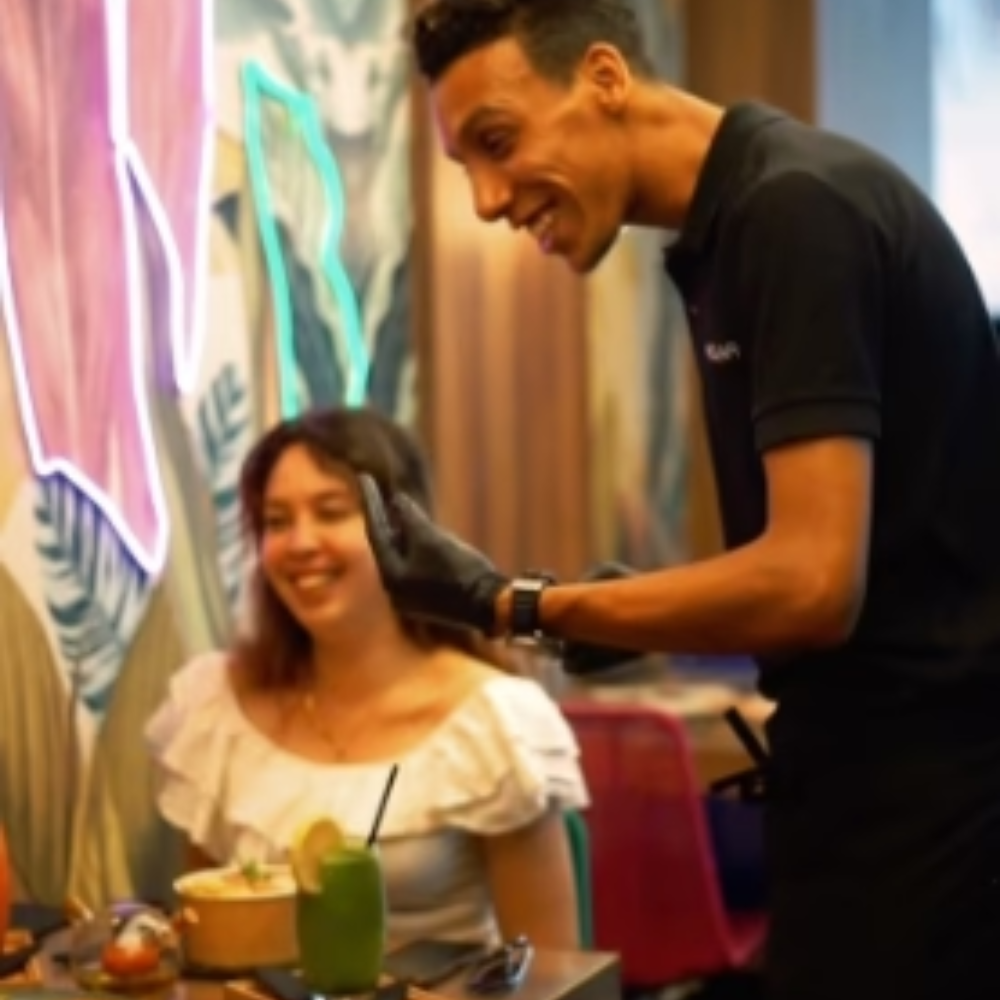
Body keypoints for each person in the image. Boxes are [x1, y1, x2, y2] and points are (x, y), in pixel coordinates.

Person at [357, 2, 1000, 998]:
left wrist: (518, 605)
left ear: (605, 78)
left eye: (498, 141)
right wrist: (631, 607)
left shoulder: (794, 212)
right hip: (855, 786)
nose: (484, 199)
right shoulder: (727, 235)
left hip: (932, 802)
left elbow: (812, 585)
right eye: (464, 165)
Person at [145, 406, 588, 949]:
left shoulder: (496, 722)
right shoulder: (216, 708)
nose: (301, 543)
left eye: (331, 512)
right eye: (276, 521)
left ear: (404, 534)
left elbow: (553, 970)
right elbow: (203, 940)